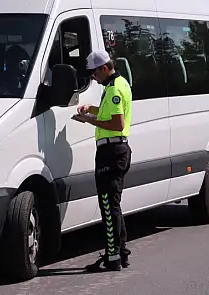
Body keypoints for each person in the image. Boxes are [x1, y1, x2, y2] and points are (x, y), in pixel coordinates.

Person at [75, 49, 133, 272]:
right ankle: (121, 253)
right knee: (114, 205)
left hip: (112, 151)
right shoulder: (117, 85)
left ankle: (112, 257)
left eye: (94, 73)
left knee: (108, 207)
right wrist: (92, 109)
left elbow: (117, 124)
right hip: (116, 150)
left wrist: (90, 120)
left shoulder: (115, 89)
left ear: (104, 68)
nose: (93, 78)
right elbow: (110, 114)